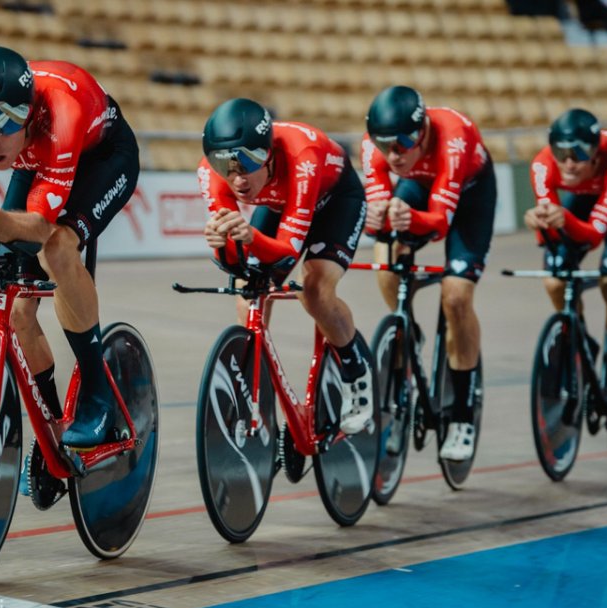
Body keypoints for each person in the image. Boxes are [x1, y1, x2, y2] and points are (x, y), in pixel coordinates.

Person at [0, 46, 140, 455]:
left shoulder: (62, 110)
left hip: (103, 156)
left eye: (7, 122)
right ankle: (52, 430)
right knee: (19, 308)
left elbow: (41, 226)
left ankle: (99, 396)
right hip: (35, 158)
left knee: (58, 248)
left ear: (27, 110)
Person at [198, 98, 373, 435]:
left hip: (335, 202)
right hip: (281, 204)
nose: (237, 176)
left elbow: (286, 253)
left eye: (248, 160)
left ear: (269, 152)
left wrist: (248, 236)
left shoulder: (301, 154)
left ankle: (356, 371)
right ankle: (255, 392)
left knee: (315, 290)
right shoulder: (211, 173)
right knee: (248, 293)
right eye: (225, 164)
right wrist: (222, 246)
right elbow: (235, 265)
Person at [361, 85, 496, 462]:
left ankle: (463, 416)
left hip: (468, 197)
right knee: (387, 253)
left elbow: (439, 223)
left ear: (422, 132)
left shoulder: (454, 136)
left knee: (455, 297)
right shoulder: (376, 148)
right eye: (384, 144)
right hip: (420, 187)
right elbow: (378, 215)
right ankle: (409, 333)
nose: (393, 154)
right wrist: (378, 219)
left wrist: (410, 219)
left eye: (403, 143)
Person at [524, 108, 607, 425]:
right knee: (555, 280)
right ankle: (582, 340)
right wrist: (540, 225)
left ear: (595, 153)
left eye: (579, 153)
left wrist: (563, 219)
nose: (568, 163)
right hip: (582, 200)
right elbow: (550, 233)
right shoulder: (542, 165)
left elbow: (594, 235)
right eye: (561, 153)